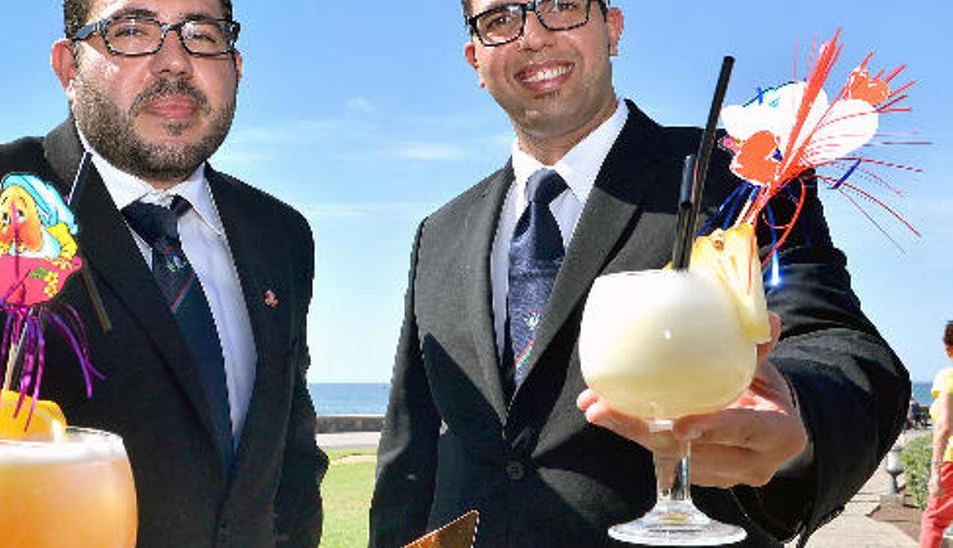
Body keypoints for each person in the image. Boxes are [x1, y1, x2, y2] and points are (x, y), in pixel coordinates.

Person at [369, 1, 908, 546]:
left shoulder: (739, 178)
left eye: (562, 6)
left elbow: (835, 346)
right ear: (474, 59)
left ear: (613, 28)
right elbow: (409, 450)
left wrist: (796, 408)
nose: (532, 35)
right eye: (500, 18)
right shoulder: (439, 232)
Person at [0, 0, 326, 546]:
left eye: (201, 33)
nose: (174, 61)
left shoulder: (281, 234)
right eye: (131, 30)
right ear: (68, 67)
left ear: (236, 66)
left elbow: (287, 444)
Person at [919, 322, 953, 548]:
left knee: (935, 520)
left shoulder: (948, 376)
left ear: (948, 347)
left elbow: (944, 427)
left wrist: (935, 471)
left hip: (951, 462)